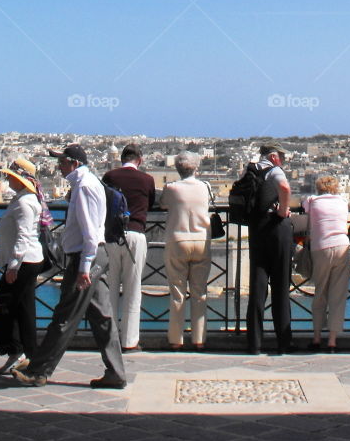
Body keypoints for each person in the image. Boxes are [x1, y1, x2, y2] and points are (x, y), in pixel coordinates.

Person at [14, 143, 126, 389]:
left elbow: (90, 230)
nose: (58, 166)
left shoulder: (84, 187)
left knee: (65, 315)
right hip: (95, 255)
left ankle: (39, 370)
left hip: (87, 257)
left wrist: (84, 268)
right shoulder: (85, 183)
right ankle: (116, 372)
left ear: (75, 163)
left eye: (62, 162)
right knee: (103, 317)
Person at [0, 157, 45, 375]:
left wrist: (13, 265)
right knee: (23, 310)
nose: (8, 179)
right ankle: (30, 355)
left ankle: (15, 350)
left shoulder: (24, 202)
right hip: (26, 261)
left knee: (0, 307)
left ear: (22, 180)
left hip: (24, 263)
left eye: (11, 176)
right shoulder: (23, 199)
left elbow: (24, 235)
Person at [102, 143, 157, 352]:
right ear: (140, 160)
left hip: (112, 235)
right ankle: (129, 342)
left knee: (112, 287)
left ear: (121, 159)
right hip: (135, 233)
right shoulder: (147, 180)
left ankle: (110, 338)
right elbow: (150, 203)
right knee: (133, 289)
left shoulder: (110, 176)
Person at [161, 151, 212, 350]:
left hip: (178, 240)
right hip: (201, 240)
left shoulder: (172, 188)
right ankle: (199, 339)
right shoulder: (205, 187)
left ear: (177, 168)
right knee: (200, 292)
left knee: (177, 293)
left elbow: (163, 204)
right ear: (196, 167)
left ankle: (176, 339)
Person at [246, 144, 293, 355]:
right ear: (273, 156)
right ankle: (283, 342)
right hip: (276, 228)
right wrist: (283, 211)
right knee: (280, 286)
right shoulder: (274, 170)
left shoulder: (250, 170)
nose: (282, 160)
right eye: (281, 156)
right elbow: (284, 188)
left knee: (258, 287)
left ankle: (254, 343)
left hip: (256, 229)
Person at [303, 174, 350, 351]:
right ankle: (332, 340)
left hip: (321, 248)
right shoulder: (343, 201)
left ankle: (316, 338)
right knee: (338, 296)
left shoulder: (313, 201)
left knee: (320, 292)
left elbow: (304, 206)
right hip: (342, 246)